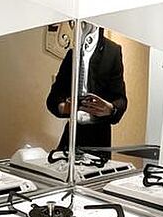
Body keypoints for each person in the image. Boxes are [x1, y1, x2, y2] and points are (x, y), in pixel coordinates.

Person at [46, 23, 127, 155]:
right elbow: (52, 99)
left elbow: (121, 99)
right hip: (71, 135)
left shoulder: (112, 51)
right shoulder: (72, 54)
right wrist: (64, 107)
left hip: (99, 139)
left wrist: (110, 109)